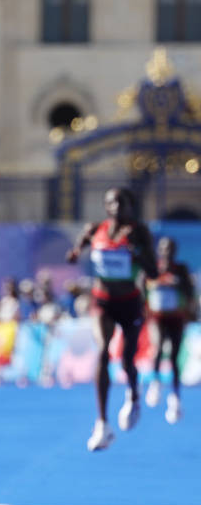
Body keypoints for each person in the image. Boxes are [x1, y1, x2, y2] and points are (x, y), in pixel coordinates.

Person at [66, 187, 158, 452]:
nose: (116, 206)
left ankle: (133, 394)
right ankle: (103, 424)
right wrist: (74, 254)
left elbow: (152, 273)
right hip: (103, 301)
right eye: (110, 202)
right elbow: (79, 246)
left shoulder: (139, 232)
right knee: (104, 352)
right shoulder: (96, 229)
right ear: (105, 206)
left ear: (130, 205)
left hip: (130, 303)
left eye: (121, 202)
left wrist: (137, 254)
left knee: (128, 360)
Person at [143, 237, 196, 424]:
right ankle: (155, 383)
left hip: (176, 317)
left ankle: (175, 397)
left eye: (171, 249)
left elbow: (190, 292)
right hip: (157, 317)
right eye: (164, 248)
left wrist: (177, 283)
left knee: (174, 356)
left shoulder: (181, 269)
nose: (167, 252)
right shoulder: (152, 268)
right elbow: (142, 288)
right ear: (159, 250)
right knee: (157, 349)